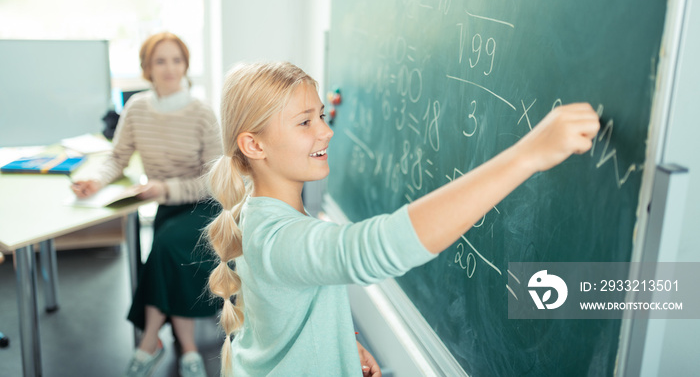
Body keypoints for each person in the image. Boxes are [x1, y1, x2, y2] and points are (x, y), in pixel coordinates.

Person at [205, 61, 600, 376]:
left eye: (322, 116)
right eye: (305, 122)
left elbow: (279, 317)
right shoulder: (279, 238)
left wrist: (339, 344)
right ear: (254, 145)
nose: (325, 132)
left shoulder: (264, 214)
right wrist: (526, 155)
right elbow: (377, 248)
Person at [72, 32, 222, 377]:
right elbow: (117, 157)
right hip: (167, 206)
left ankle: (150, 340)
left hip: (205, 207)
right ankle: (187, 348)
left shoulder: (202, 113)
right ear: (146, 69)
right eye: (160, 61)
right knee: (167, 257)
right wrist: (95, 181)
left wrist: (165, 189)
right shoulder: (137, 108)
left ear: (186, 65)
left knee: (165, 248)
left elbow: (215, 180)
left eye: (176, 60)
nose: (169, 68)